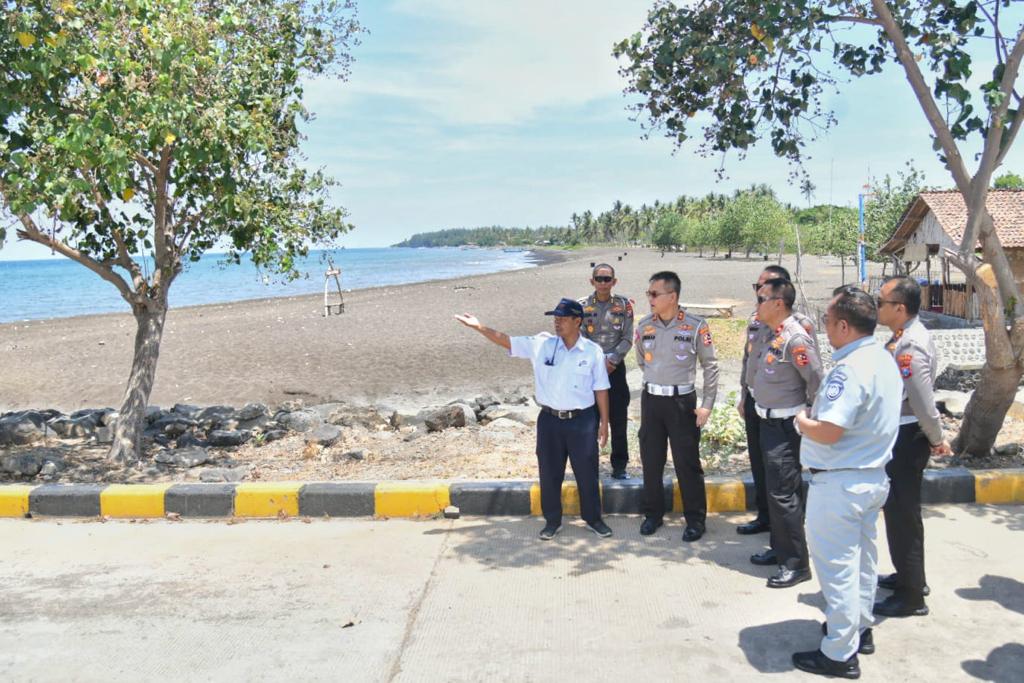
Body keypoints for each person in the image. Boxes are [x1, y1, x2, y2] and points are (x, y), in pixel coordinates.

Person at [791, 288, 902, 679]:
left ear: (842, 325)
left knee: (837, 569)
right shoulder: (882, 358)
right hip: (870, 479)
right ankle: (859, 628)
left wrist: (802, 422)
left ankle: (839, 653)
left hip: (840, 484)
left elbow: (830, 430)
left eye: (827, 322)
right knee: (863, 563)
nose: (824, 329)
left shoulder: (850, 367)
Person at [455, 299, 613, 541]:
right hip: (549, 421)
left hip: (582, 421)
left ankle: (593, 519)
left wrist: (604, 422)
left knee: (587, 473)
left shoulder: (592, 351)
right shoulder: (541, 345)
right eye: (555, 318)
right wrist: (478, 327)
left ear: (577, 321)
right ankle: (552, 521)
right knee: (549, 473)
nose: (557, 322)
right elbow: (506, 340)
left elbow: (601, 388)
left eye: (562, 318)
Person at [874, 276, 951, 618]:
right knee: (898, 513)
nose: (877, 308)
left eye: (881, 303)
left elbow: (922, 401)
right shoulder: (901, 338)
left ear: (900, 309)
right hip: (899, 434)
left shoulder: (910, 347)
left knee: (903, 516)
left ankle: (912, 596)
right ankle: (908, 576)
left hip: (907, 438)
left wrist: (937, 438)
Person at [747, 277, 823, 588]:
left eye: (762, 298)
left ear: (779, 303)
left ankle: (796, 564)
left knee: (784, 494)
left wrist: (812, 421)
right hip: (767, 422)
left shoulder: (796, 339)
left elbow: (817, 382)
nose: (757, 303)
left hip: (786, 425)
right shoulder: (769, 333)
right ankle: (779, 550)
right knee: (773, 491)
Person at [634, 271, 719, 542]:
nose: (650, 298)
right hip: (651, 401)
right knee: (651, 460)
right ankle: (653, 514)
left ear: (672, 296)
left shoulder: (695, 325)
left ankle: (695, 519)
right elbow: (641, 360)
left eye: (654, 294)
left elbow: (710, 366)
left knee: (687, 463)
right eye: (649, 293)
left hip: (682, 402)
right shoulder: (645, 325)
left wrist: (706, 405)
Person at [737, 265, 818, 536]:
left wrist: (809, 410)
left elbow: (811, 374)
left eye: (763, 289)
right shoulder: (756, 320)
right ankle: (765, 517)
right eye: (755, 288)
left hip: (785, 408)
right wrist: (743, 393)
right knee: (761, 464)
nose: (758, 293)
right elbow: (749, 360)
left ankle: (786, 528)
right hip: (756, 399)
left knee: (782, 473)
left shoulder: (799, 326)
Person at [578, 263, 634, 479]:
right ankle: (588, 466)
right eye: (599, 279)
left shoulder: (624, 305)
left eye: (607, 279)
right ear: (592, 281)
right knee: (589, 421)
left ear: (614, 281)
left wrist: (612, 361)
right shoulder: (581, 306)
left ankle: (619, 466)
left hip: (615, 369)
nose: (603, 283)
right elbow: (580, 336)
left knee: (618, 419)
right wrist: (597, 362)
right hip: (590, 370)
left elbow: (628, 337)